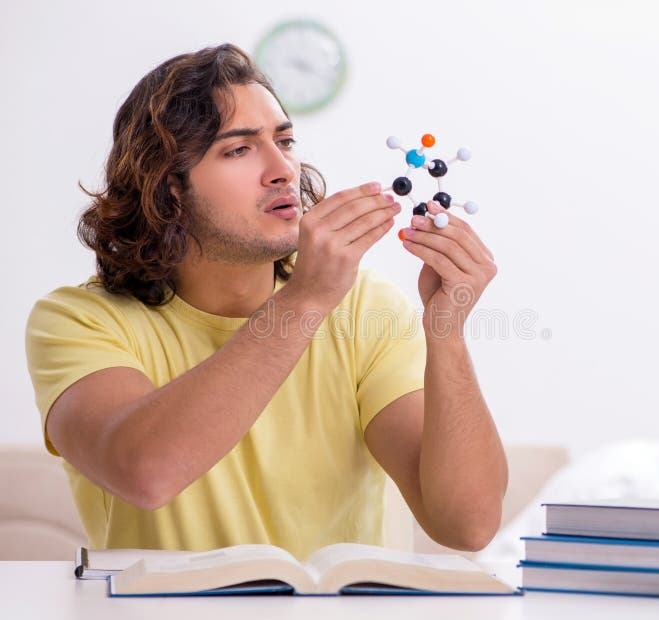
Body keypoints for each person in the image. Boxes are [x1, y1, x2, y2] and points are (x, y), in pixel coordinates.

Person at [25, 43, 507, 560]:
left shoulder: (364, 308)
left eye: (285, 141)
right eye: (239, 149)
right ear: (167, 190)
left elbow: (467, 526)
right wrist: (306, 300)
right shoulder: (78, 321)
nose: (283, 170)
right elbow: (146, 473)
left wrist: (446, 331)